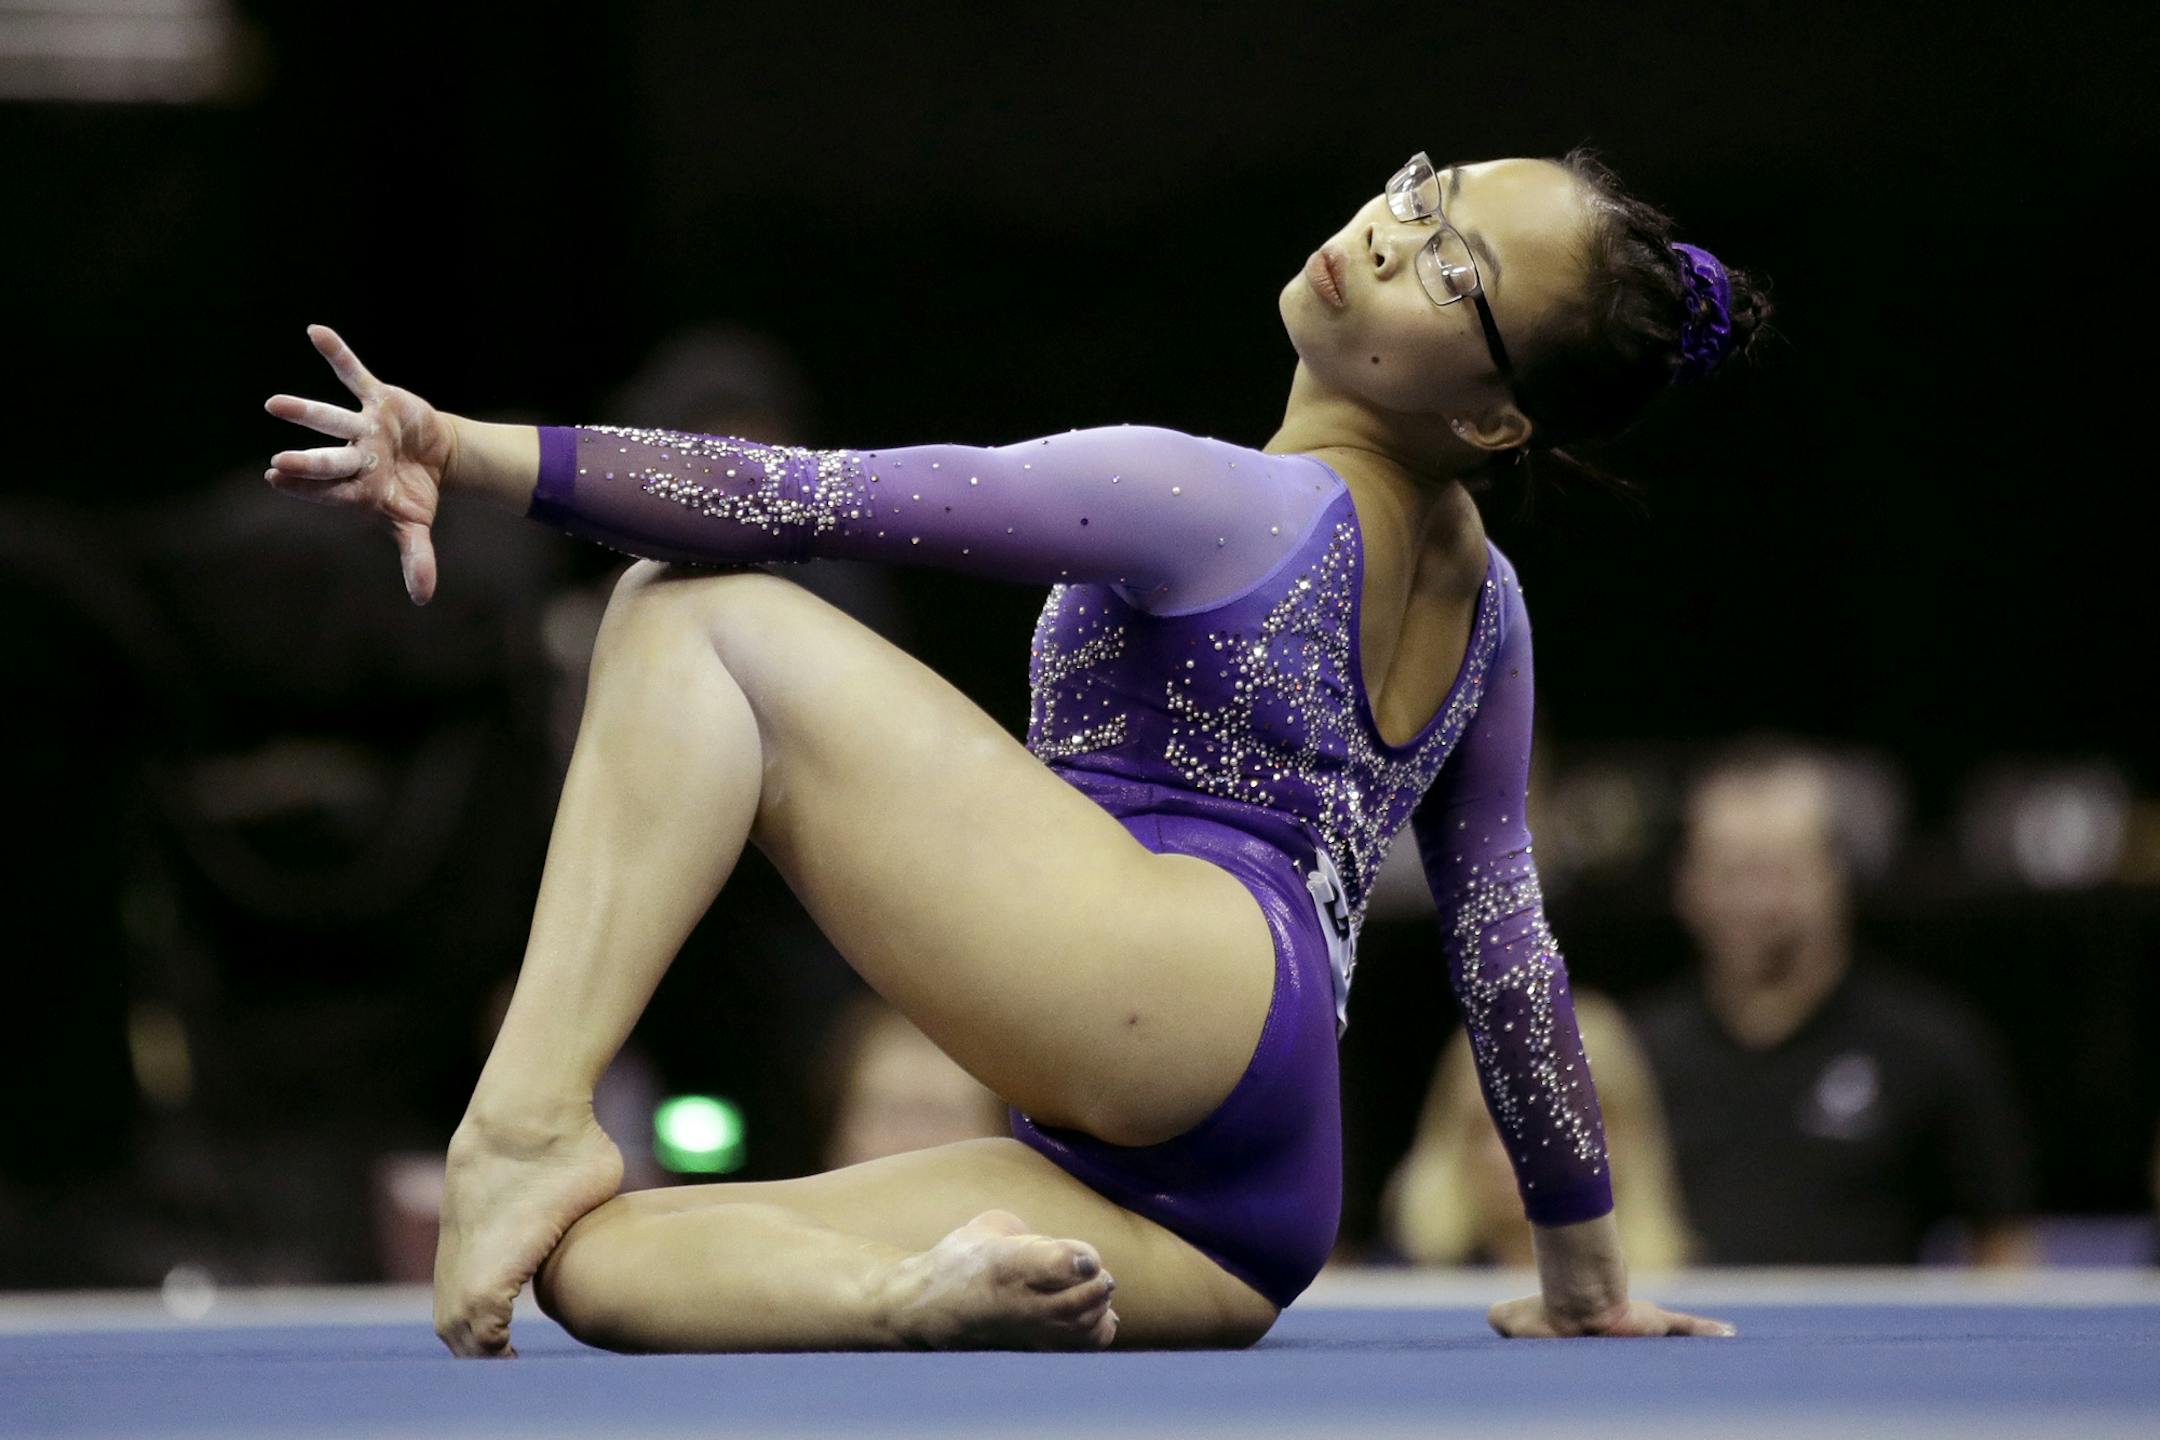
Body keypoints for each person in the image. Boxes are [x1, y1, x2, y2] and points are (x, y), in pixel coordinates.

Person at [261, 148, 1768, 1355]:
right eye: (1427, 189)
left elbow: (804, 500)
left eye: (1456, 264)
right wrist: (1583, 1274)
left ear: (1498, 416)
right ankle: (906, 1304)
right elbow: (1508, 957)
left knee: (684, 614)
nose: (1389, 230)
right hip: (1241, 1211)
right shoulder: (1492, 609)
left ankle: (518, 1119)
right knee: (597, 1267)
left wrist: (463, 452)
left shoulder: (1223, 500)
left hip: (1173, 984)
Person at [1637, 738, 2040, 1265]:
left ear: (1836, 875)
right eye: (1731, 871)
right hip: (1680, 1343)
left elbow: (2003, 1246)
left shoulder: (1929, 1045)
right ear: (1686, 885)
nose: (1758, 901)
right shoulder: (1636, 1055)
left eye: (1782, 871)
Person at [1384, 991, 1692, 1270]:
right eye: (1480, 1128)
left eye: (1540, 1126)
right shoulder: (1386, 1291)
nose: (1498, 1154)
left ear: (1618, 1134)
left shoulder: (1699, 1296)